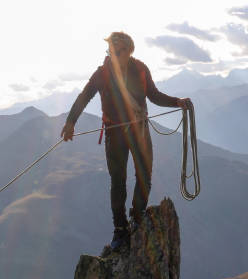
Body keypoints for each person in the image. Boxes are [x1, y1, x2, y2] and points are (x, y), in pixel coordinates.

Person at [60, 31, 191, 249]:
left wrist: (178, 102)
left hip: (138, 129)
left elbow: (154, 96)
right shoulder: (102, 74)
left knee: (144, 176)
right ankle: (120, 229)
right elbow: (84, 97)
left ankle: (136, 216)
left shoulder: (140, 69)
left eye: (117, 51)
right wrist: (70, 122)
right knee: (118, 181)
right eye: (110, 51)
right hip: (115, 132)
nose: (113, 55)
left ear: (129, 51)